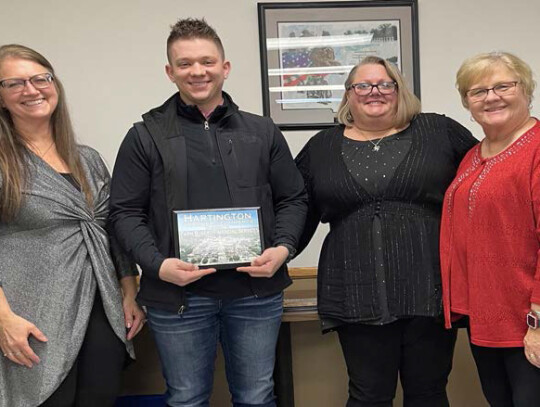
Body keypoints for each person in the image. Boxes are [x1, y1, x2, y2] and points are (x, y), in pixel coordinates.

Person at [109, 18, 307, 407]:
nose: (197, 71)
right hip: (177, 298)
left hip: (254, 294)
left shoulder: (262, 131)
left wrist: (282, 249)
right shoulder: (144, 135)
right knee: (186, 399)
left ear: (225, 67)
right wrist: (156, 265)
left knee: (256, 396)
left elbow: (294, 199)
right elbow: (124, 213)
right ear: (170, 72)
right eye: (184, 64)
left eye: (206, 61)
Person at [295, 56, 478, 407]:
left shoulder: (438, 131)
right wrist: (277, 251)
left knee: (428, 393)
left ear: (399, 90)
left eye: (384, 84)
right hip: (355, 292)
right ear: (349, 95)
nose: (373, 92)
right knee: (368, 396)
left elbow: (481, 184)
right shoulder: (321, 148)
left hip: (430, 290)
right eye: (362, 85)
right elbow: (295, 210)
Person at [0, 44, 145, 407]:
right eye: (14, 83)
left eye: (40, 79)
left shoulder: (88, 159)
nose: (31, 90)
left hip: (102, 311)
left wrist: (129, 291)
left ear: (55, 85)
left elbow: (113, 230)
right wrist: (3, 319)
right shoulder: (4, 163)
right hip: (31, 315)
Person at [440, 51, 540, 407]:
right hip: (487, 320)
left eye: (503, 86)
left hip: (529, 321)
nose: (491, 97)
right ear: (467, 102)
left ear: (526, 90)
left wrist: (538, 324)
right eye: (478, 91)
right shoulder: (473, 154)